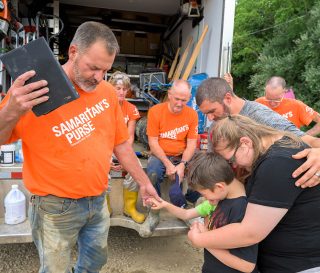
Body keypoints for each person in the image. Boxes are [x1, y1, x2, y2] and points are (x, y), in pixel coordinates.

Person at [0, 21, 159, 273]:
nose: (99, 77)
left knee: (95, 262)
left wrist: (144, 182)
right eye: (93, 67)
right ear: (73, 52)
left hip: (97, 200)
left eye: (105, 70)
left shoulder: (106, 93)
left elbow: (121, 144)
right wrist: (11, 110)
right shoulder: (32, 90)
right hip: (54, 207)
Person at [188, 115, 320, 272]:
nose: (233, 166)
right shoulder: (277, 148)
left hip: (296, 265)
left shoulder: (276, 164)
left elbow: (250, 233)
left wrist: (200, 239)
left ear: (245, 143)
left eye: (230, 160)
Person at [195, 77, 320, 188]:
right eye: (206, 114)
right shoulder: (216, 126)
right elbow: (214, 164)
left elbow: (307, 141)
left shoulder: (260, 115)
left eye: (212, 111)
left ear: (228, 98)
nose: (210, 118)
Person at [150, 152, 258, 273]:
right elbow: (186, 214)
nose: (205, 199)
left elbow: (246, 266)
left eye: (204, 194)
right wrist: (164, 204)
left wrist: (201, 239)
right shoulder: (219, 198)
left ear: (219, 187)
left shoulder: (241, 209)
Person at [141, 79, 198, 235]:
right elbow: (152, 142)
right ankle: (154, 213)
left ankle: (187, 209)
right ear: (169, 94)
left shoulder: (192, 114)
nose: (180, 103)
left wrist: (183, 164)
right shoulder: (155, 111)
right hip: (161, 154)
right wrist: (168, 164)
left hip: (181, 154)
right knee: (153, 171)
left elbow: (192, 143)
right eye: (177, 99)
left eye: (184, 100)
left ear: (189, 98)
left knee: (200, 167)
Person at [107, 71, 145, 223]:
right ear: (111, 88)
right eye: (117, 88)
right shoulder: (103, 107)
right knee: (98, 168)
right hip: (105, 148)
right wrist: (108, 156)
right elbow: (101, 136)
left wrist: (125, 158)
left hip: (123, 148)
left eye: (124, 88)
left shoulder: (131, 108)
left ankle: (129, 208)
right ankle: (105, 206)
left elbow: (129, 138)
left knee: (137, 167)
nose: (121, 92)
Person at [256, 76, 320, 136]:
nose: (272, 103)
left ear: (284, 92)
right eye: (268, 99)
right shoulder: (257, 104)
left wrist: (304, 137)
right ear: (265, 91)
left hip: (291, 146)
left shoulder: (296, 105)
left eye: (277, 99)